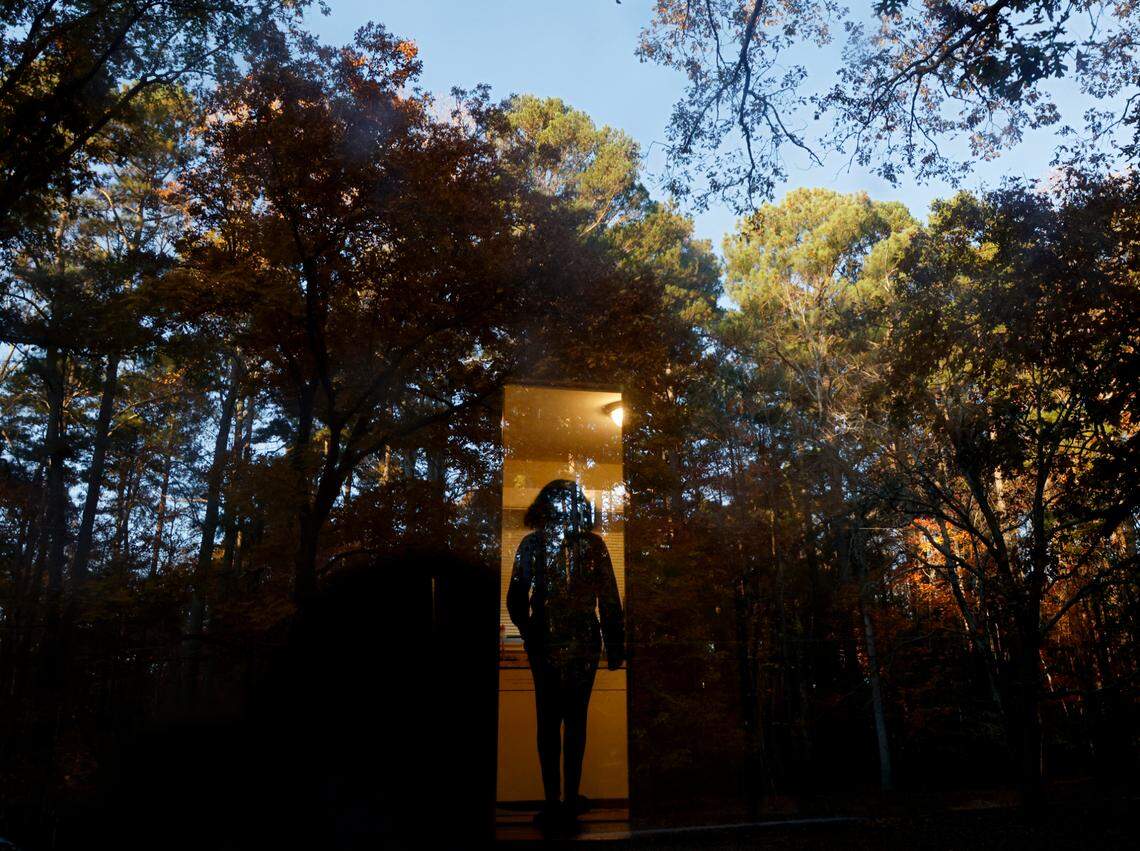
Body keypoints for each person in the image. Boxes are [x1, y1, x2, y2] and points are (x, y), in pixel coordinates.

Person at [507, 479, 625, 829]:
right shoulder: (588, 545)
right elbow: (610, 602)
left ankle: (556, 800)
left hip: (555, 642)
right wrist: (614, 647)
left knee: (553, 722)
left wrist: (530, 633)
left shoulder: (535, 544)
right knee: (573, 722)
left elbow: (516, 599)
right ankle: (566, 800)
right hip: (573, 643)